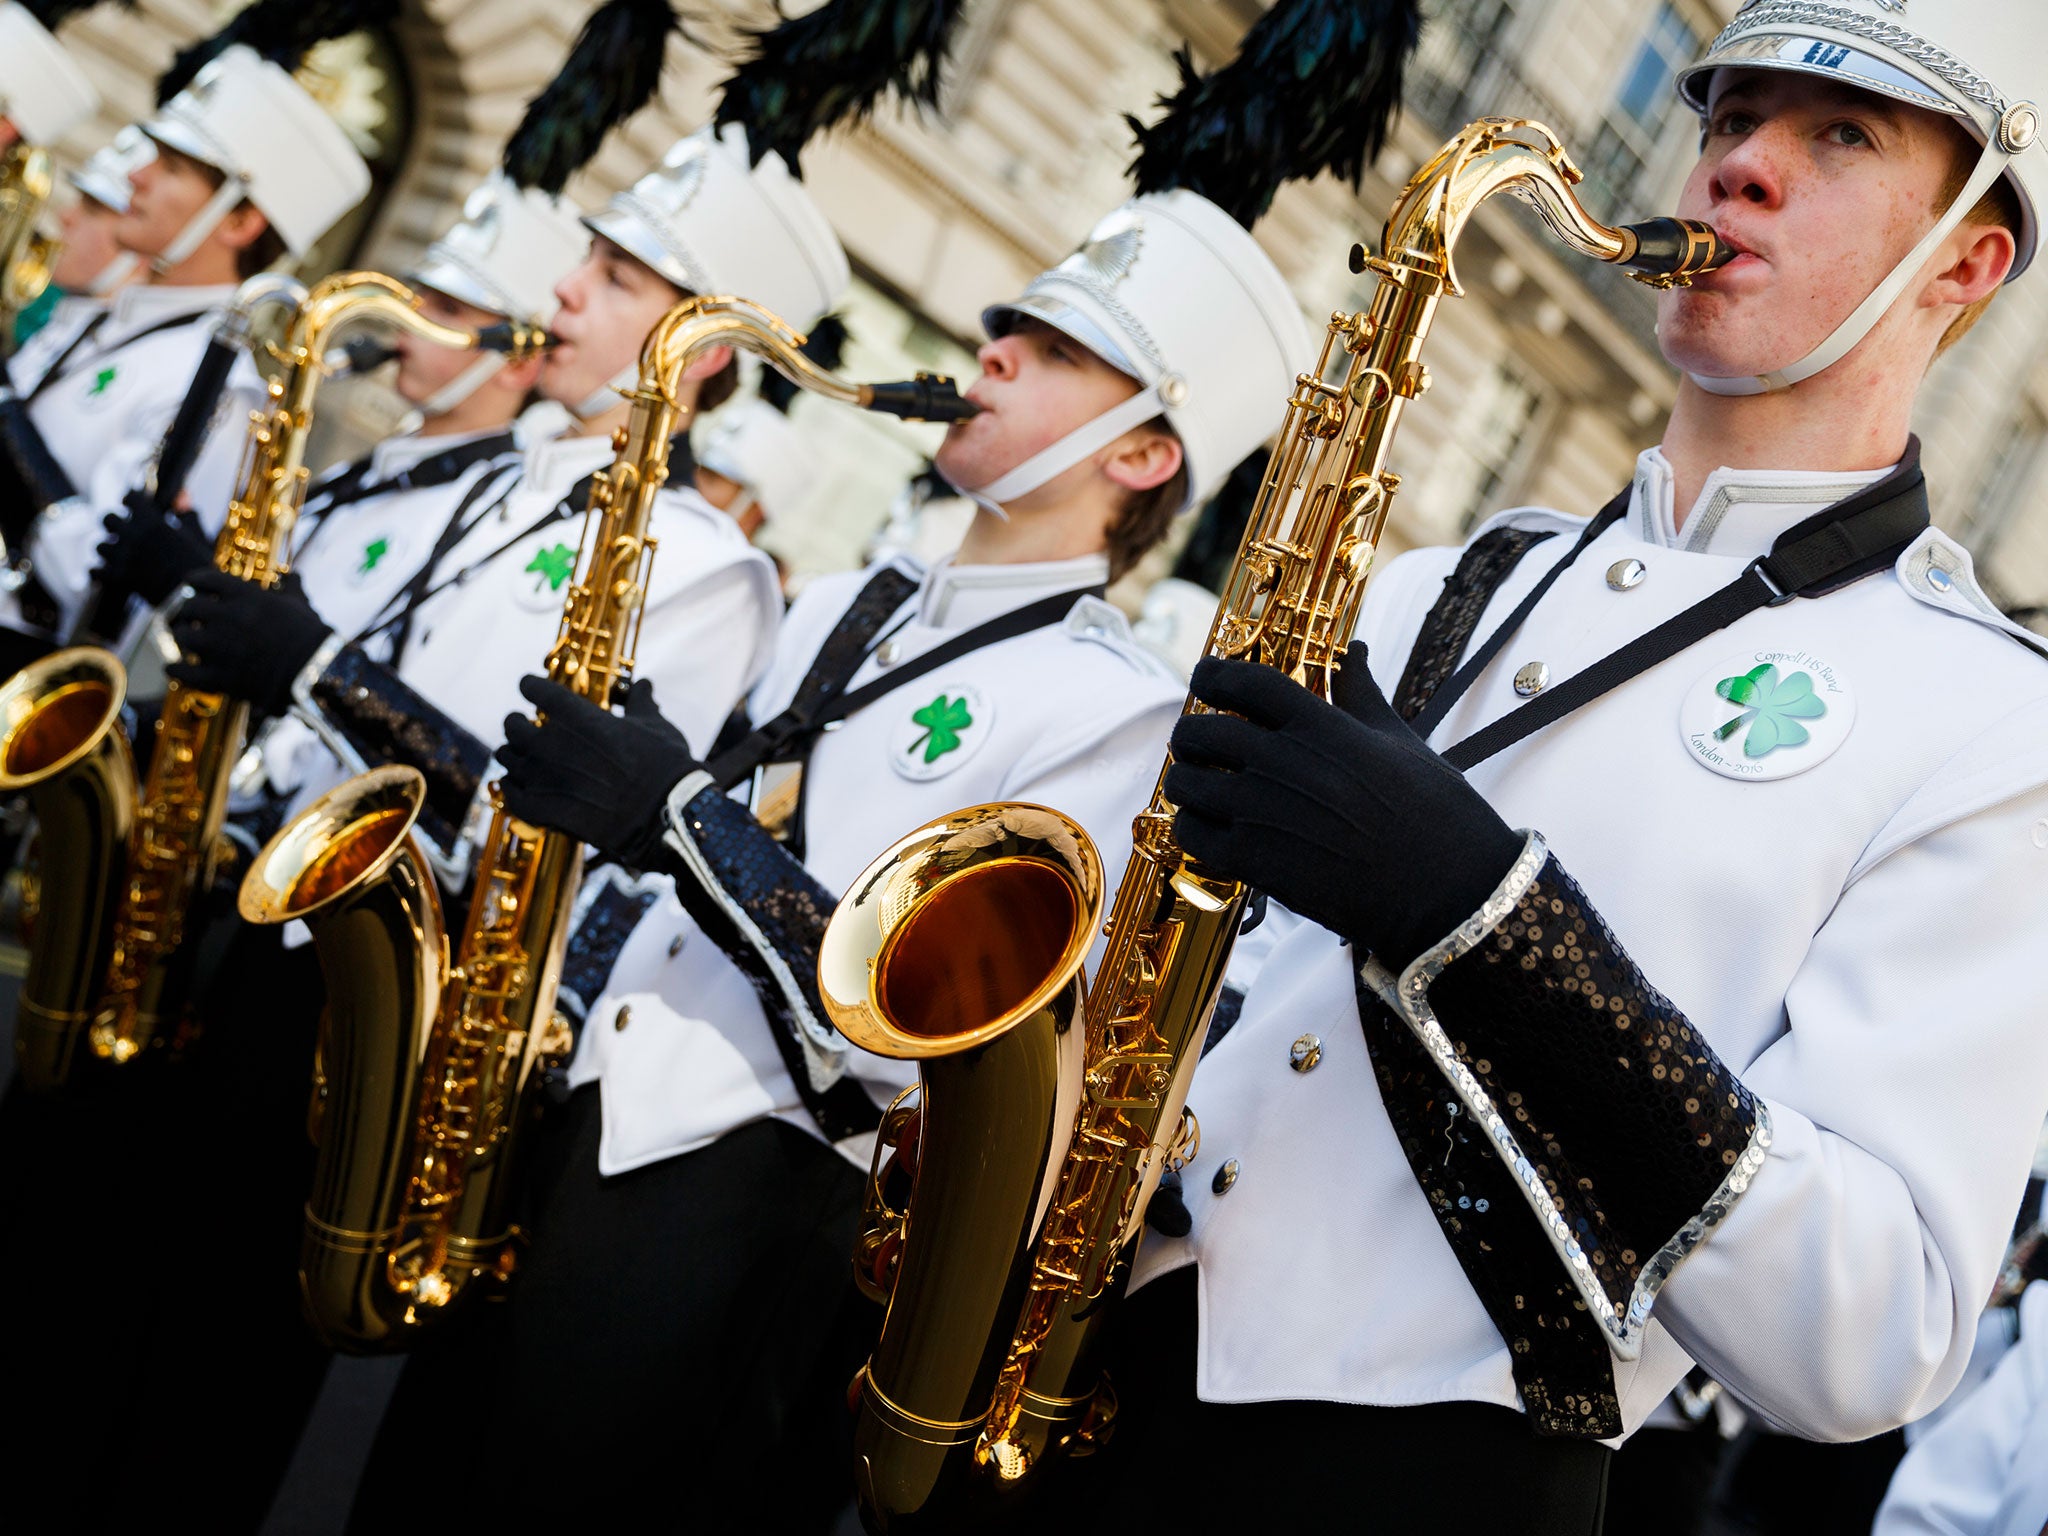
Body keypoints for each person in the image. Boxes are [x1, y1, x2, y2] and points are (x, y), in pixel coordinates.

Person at [1033, 2, 2048, 1531]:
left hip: (1429, 1482)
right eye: (1729, 119)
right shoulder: (1439, 580)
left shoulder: (1985, 717)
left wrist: (1483, 917)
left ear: (1969, 260)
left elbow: (1873, 1334)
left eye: (1839, 136)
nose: (1740, 169)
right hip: (1088, 1388)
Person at [409, 187, 1307, 1529]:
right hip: (583, 1120)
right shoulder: (847, 601)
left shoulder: (1117, 711)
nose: (992, 351)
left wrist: (680, 816)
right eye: (1010, 327)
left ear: (1143, 458)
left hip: (762, 1212)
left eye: (1056, 352)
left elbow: (921, 1035)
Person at [2, 44, 368, 657]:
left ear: (239, 222)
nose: (137, 175)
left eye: (171, 167)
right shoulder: (110, 317)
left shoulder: (221, 388)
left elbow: (93, 583)